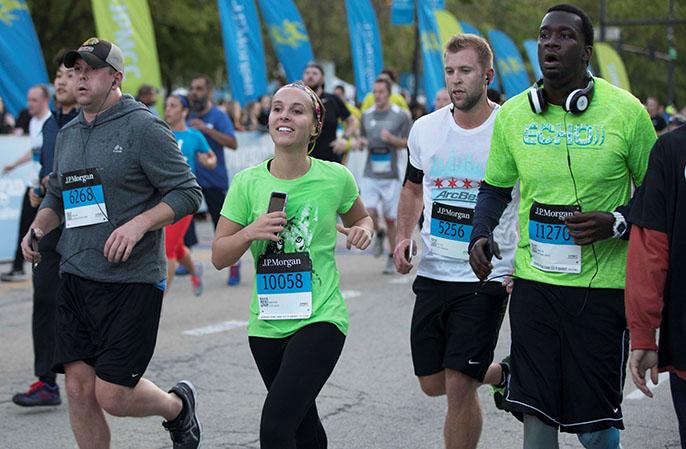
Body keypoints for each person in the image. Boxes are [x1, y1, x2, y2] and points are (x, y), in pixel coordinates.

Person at [469, 5, 656, 449]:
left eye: (564, 36)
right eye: (544, 35)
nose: (551, 43)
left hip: (602, 291)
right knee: (536, 414)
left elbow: (658, 199)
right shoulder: (514, 115)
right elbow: (494, 189)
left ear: (586, 52)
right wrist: (481, 232)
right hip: (536, 287)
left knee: (594, 427)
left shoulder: (626, 114)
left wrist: (616, 222)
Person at [21, 38, 202, 449]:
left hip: (131, 279)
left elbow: (188, 192)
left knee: (113, 396)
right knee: (79, 391)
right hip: (75, 273)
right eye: (75, 70)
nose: (79, 77)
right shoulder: (67, 134)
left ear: (116, 77)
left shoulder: (144, 127)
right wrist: (38, 227)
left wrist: (139, 224)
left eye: (91, 69)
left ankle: (177, 407)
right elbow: (57, 194)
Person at [212, 81, 373, 449]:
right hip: (266, 324)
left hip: (321, 317)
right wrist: (250, 232)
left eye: (297, 110)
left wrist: (363, 231)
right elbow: (220, 256)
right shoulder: (246, 183)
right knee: (304, 429)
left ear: (315, 126)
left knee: (276, 429)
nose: (285, 115)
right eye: (278, 108)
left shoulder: (335, 177)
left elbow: (362, 219)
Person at [393, 34, 518, 449]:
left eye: (465, 71)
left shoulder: (510, 128)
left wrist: (524, 264)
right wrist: (401, 237)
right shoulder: (425, 129)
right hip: (434, 269)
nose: (456, 80)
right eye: (450, 71)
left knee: (460, 384)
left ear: (487, 75)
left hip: (488, 274)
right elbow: (412, 189)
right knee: (434, 383)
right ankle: (503, 374)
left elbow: (535, 197)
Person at [11, 50, 80, 407]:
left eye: (68, 75)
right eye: (58, 75)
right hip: (50, 224)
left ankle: (89, 375)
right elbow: (45, 170)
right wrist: (41, 190)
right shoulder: (51, 123)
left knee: (81, 302)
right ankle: (46, 382)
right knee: (45, 299)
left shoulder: (87, 121)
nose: (61, 81)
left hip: (84, 227)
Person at [625, 125, 686, 449]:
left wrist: (644, 335)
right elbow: (650, 249)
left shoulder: (671, 149)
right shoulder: (670, 150)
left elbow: (649, 248)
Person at [187, 74, 241, 285]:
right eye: (192, 88)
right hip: (191, 179)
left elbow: (233, 143)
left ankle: (234, 266)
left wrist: (206, 129)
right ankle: (186, 261)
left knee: (223, 226)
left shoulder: (217, 116)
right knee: (184, 220)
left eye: (199, 88)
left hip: (214, 179)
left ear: (208, 92)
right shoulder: (188, 115)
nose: (194, 92)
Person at [164, 94, 216, 296]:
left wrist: (208, 162)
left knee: (166, 250)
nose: (168, 109)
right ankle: (195, 271)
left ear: (184, 111)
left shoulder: (194, 136)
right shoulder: (160, 131)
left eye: (173, 106)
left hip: (184, 198)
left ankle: (159, 302)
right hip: (160, 199)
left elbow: (211, 159)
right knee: (176, 247)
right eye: (167, 105)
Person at [359, 77, 411, 273]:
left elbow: (408, 141)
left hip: (392, 175)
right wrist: (362, 143)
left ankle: (391, 255)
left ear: (389, 94)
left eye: (381, 92)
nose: (377, 95)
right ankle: (378, 232)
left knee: (391, 219)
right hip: (370, 172)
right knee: (368, 213)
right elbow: (363, 137)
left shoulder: (400, 116)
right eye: (375, 92)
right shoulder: (366, 115)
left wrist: (392, 139)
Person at [1, 84, 52, 282]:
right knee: (25, 225)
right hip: (33, 184)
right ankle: (18, 266)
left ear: (45, 100)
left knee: (44, 228)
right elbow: (34, 151)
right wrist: (13, 164)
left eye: (34, 100)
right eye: (28, 99)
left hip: (45, 186)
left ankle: (40, 267)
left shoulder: (51, 123)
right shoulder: (33, 123)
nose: (29, 104)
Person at [302, 62, 358, 163]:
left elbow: (352, 121)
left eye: (315, 73)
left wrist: (344, 139)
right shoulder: (298, 100)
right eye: (307, 73)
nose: (310, 76)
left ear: (323, 78)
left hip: (329, 159)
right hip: (303, 159)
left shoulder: (332, 99)